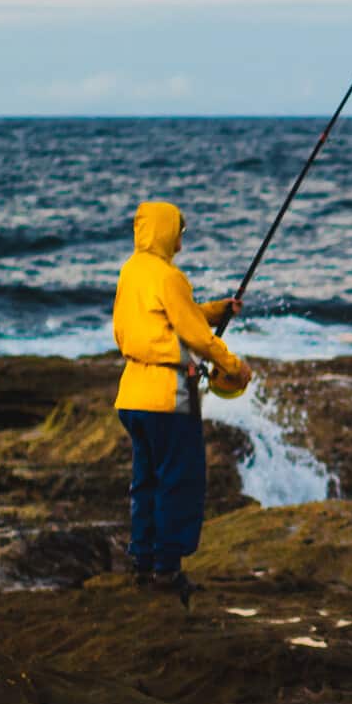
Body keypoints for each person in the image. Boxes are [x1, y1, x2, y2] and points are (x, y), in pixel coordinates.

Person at [112, 201, 251, 604]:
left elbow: (170, 318)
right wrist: (234, 366)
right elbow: (197, 339)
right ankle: (167, 571)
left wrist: (215, 310)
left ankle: (143, 560)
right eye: (179, 233)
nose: (181, 243)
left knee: (146, 482)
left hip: (132, 396)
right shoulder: (169, 276)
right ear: (166, 230)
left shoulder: (132, 270)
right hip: (167, 399)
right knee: (180, 482)